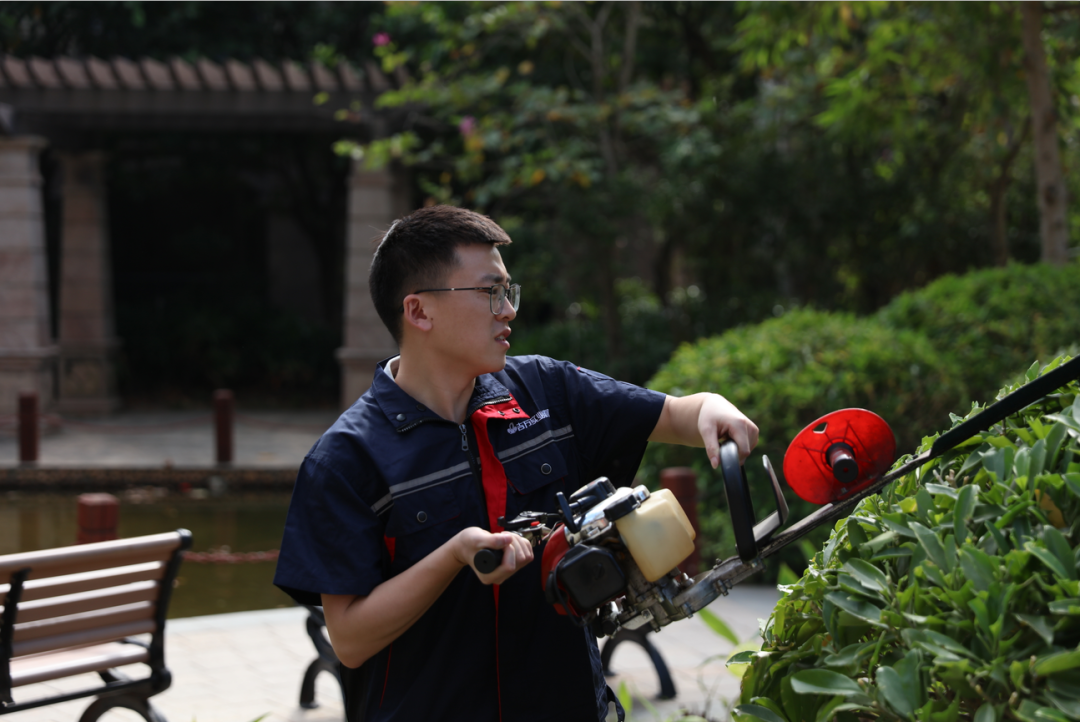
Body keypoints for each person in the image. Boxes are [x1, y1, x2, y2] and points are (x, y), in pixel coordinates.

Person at [273, 205, 758, 722]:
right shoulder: (346, 459)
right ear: (419, 311)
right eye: (490, 293)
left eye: (509, 291)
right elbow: (349, 639)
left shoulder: (546, 391)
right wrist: (454, 555)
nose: (507, 311)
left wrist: (710, 408)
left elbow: (674, 414)